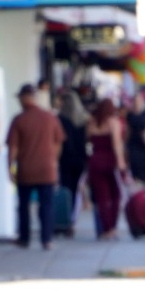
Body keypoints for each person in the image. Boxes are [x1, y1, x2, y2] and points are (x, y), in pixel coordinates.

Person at [6, 83, 66, 249]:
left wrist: (10, 168)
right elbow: (59, 142)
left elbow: (13, 148)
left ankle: (24, 239)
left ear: (25, 98)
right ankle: (47, 239)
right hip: (47, 169)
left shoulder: (19, 120)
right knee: (46, 205)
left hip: (26, 170)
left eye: (20, 97)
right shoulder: (50, 117)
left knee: (23, 205)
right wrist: (53, 159)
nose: (19, 100)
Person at [85, 97, 128, 240]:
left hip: (95, 161)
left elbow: (88, 143)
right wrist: (121, 163)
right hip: (110, 161)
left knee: (101, 197)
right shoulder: (113, 122)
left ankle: (106, 228)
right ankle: (112, 228)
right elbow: (116, 143)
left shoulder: (91, 122)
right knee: (116, 196)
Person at [56, 89, 89, 237]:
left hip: (64, 159)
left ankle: (64, 220)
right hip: (80, 159)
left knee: (65, 188)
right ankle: (71, 221)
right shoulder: (83, 120)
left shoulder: (60, 119)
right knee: (75, 191)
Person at [125, 91, 145, 187]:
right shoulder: (130, 115)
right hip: (134, 144)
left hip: (144, 145)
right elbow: (128, 130)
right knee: (136, 167)